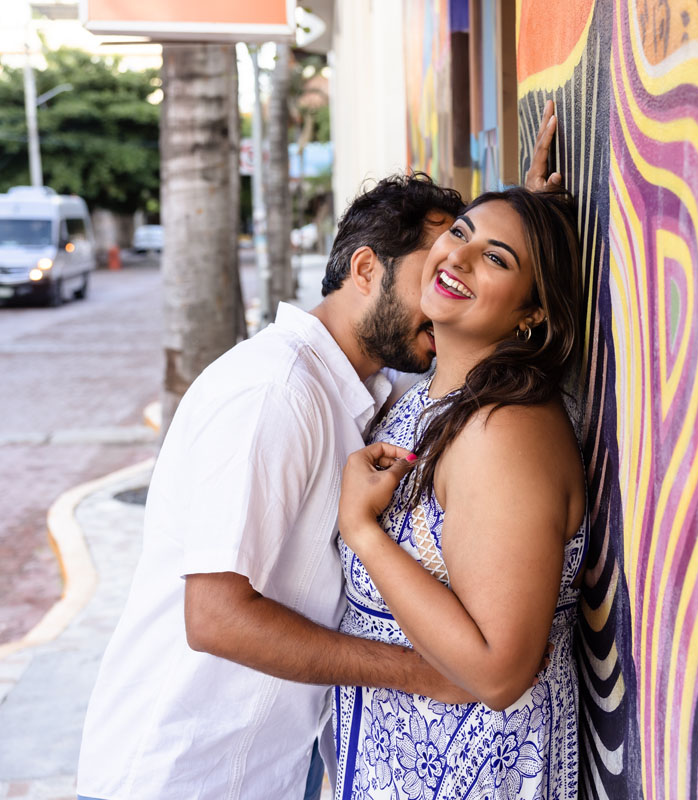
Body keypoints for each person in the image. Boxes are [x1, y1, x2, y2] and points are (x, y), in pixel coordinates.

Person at [77, 103, 564, 800]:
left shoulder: (373, 385)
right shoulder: (275, 394)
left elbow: (476, 325)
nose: (443, 293)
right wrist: (423, 673)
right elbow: (214, 616)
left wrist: (526, 232)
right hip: (183, 776)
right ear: (365, 268)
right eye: (431, 273)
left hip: (270, 768)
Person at [329, 186, 586, 799]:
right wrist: (522, 206)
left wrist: (363, 531)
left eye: (498, 259)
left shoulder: (505, 432)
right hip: (396, 760)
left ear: (534, 314)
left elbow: (499, 671)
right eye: (460, 232)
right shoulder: (436, 389)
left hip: (469, 770)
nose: (458, 258)